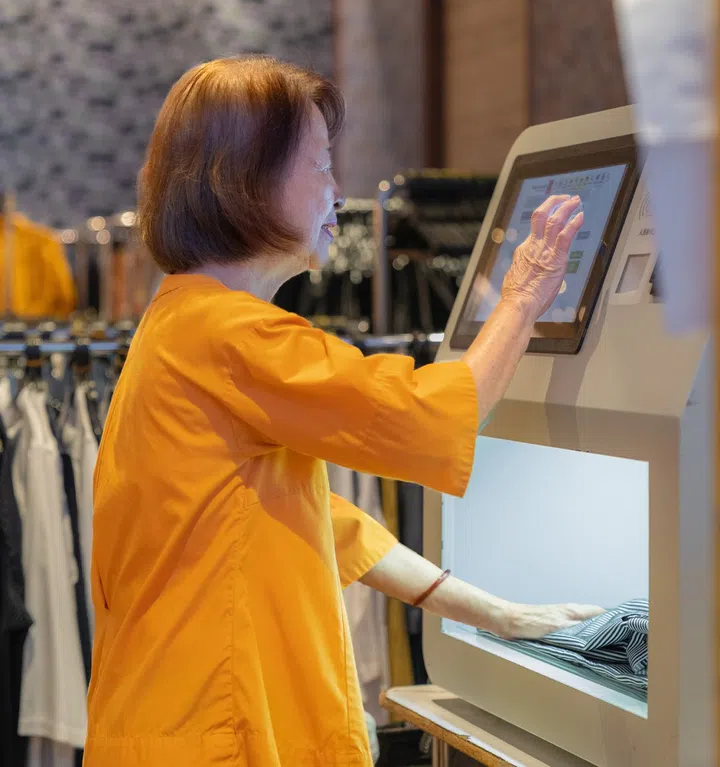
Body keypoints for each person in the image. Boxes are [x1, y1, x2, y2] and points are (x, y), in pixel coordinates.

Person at [86, 57, 600, 767]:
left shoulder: (182, 323)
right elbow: (427, 414)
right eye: (322, 165)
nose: (337, 193)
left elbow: (319, 518)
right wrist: (524, 295)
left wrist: (498, 614)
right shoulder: (231, 334)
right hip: (216, 732)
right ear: (247, 181)